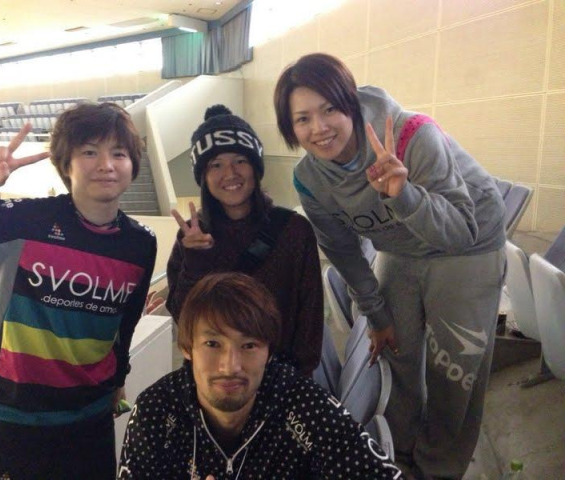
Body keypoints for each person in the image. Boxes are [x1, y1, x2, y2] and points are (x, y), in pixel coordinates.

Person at [273, 53, 506, 480]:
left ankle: (439, 467)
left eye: (329, 109)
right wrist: (376, 314)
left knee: (454, 369)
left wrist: (404, 194)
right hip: (400, 247)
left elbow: (460, 231)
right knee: (395, 351)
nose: (319, 128)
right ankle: (399, 455)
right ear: (290, 128)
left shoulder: (412, 135)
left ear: (350, 102)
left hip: (468, 244)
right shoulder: (310, 179)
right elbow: (342, 250)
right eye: (302, 119)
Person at [0, 102, 157, 480]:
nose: (106, 164)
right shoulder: (21, 221)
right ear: (66, 164)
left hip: (90, 424)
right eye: (89, 152)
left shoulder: (140, 243)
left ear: (133, 164)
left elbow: (125, 323)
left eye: (119, 153)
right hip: (9, 424)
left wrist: (117, 380)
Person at [118, 272, 402, 479]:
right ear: (187, 348)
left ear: (269, 352)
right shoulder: (156, 411)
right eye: (213, 344)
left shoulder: (304, 405)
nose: (230, 366)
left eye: (249, 345)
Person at [166, 105, 323, 376]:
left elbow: (310, 313)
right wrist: (195, 260)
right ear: (203, 177)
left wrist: (299, 378)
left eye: (240, 160)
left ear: (255, 167)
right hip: (215, 377)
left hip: (279, 376)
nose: (230, 173)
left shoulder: (293, 230)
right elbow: (185, 320)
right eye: (216, 165)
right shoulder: (192, 236)